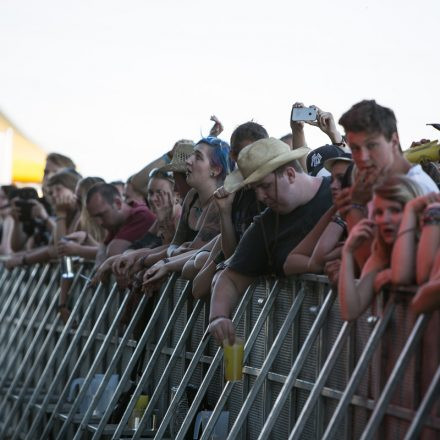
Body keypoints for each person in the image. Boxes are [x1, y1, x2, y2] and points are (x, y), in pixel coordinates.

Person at [208, 138, 332, 344]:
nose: (260, 196)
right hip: (299, 348)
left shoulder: (342, 193)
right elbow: (230, 278)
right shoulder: (264, 227)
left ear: (290, 174)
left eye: (265, 186)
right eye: (254, 189)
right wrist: (218, 317)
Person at [336, 100, 438, 268]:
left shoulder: (419, 189)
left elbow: (374, 267)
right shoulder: (375, 186)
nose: (363, 157)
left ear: (394, 141)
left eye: (372, 145)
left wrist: (354, 209)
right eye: (355, 148)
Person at [141, 136, 233, 293]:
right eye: (191, 155)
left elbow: (196, 250)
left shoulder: (220, 202)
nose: (188, 161)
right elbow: (175, 246)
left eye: (197, 157)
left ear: (215, 170)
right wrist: (172, 253)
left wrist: (163, 261)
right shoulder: (191, 197)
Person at [191, 121, 268, 297]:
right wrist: (225, 212)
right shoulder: (234, 191)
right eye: (247, 155)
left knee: (198, 265)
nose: (254, 161)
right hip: (239, 274)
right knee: (195, 268)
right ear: (233, 156)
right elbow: (230, 252)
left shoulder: (271, 190)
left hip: (259, 288)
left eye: (259, 153)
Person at [338, 176, 423, 321]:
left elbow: (401, 275)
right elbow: (350, 311)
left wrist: (392, 274)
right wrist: (347, 251)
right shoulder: (381, 252)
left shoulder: (430, 240)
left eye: (395, 210)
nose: (385, 219)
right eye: (379, 212)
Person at [283, 153, 353, 275]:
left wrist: (321, 262)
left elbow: (320, 259)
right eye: (331, 179)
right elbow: (290, 263)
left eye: (342, 179)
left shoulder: (376, 213)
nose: (333, 186)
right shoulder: (335, 209)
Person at [86, 183, 156, 266]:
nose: (99, 222)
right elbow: (102, 250)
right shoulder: (116, 222)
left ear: (118, 203)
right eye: (95, 217)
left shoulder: (141, 215)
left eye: (101, 215)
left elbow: (113, 252)